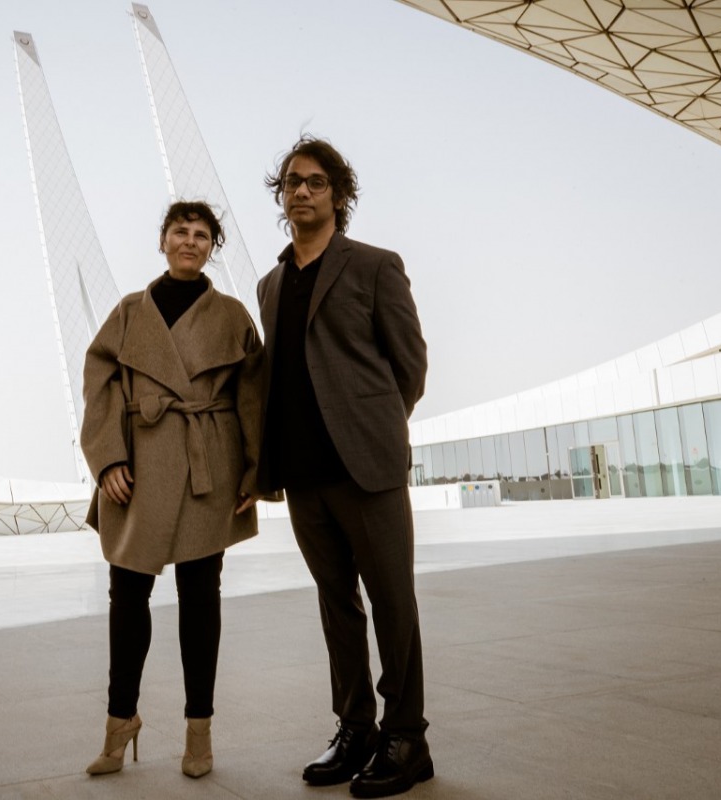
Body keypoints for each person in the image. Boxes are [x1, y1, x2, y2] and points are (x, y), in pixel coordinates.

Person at [256, 136, 431, 799]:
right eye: (292, 182)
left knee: (393, 603)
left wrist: (376, 427)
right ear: (281, 195)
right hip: (303, 473)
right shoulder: (270, 284)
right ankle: (355, 726)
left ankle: (408, 735)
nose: (302, 191)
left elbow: (409, 367)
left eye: (317, 182)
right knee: (338, 606)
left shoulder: (375, 265)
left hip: (367, 466)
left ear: (339, 195)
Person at [80, 200, 266, 779]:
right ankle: (120, 722)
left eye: (203, 234)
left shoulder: (233, 314)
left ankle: (199, 733)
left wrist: (254, 470)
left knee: (200, 597)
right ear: (162, 240)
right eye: (180, 231)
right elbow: (100, 382)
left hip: (206, 463)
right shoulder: (129, 312)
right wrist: (108, 456)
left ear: (214, 246)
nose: (191, 241)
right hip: (138, 465)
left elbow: (253, 396)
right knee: (126, 596)